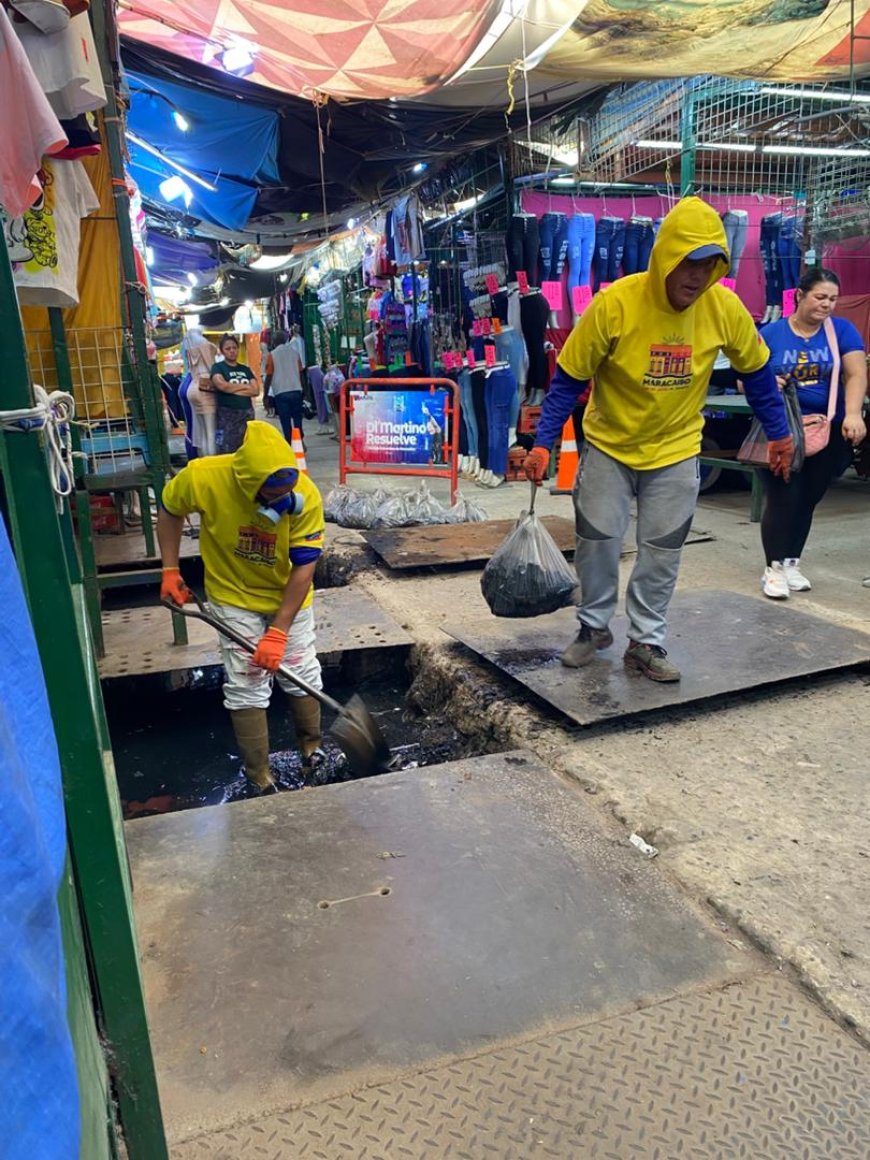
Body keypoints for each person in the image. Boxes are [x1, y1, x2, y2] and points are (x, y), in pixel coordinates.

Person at [524, 196, 792, 682]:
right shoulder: (615, 304)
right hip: (609, 444)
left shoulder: (724, 307)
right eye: (688, 263)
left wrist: (779, 433)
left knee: (662, 550)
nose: (697, 276)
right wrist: (543, 442)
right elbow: (567, 380)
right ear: (666, 256)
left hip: (676, 448)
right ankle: (593, 628)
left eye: (710, 264)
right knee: (598, 541)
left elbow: (756, 370)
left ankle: (646, 642)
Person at [157, 420, 326, 791]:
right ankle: (259, 776)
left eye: (289, 490)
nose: (285, 500)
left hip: (287, 593)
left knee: (301, 670)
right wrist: (170, 569)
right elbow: (169, 509)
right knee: (247, 681)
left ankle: (313, 751)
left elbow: (305, 567)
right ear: (249, 486)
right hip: (232, 593)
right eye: (274, 495)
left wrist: (279, 630)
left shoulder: (307, 496)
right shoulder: (203, 478)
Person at [755, 268, 867, 599]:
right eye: (820, 297)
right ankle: (772, 568)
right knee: (782, 497)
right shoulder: (771, 333)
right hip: (780, 428)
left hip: (826, 427)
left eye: (832, 299)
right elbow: (744, 377)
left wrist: (852, 413)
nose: (827, 305)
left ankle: (791, 561)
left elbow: (856, 373)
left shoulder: (841, 331)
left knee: (808, 498)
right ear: (799, 296)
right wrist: (766, 382)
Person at [211, 333, 260, 453]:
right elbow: (222, 386)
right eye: (228, 349)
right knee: (226, 447)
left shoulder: (245, 369)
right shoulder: (218, 367)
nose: (232, 351)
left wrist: (232, 389)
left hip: (246, 413)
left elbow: (255, 390)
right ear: (222, 351)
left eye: (234, 348)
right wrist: (244, 387)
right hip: (227, 415)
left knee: (247, 445)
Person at [181, 327, 219, 456]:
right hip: (205, 385)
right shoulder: (204, 343)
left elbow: (191, 369)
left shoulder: (189, 346)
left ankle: (203, 460)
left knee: (200, 430)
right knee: (210, 431)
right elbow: (211, 366)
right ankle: (212, 462)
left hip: (193, 385)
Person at [264, 330, 306, 442]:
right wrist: (304, 390)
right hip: (296, 389)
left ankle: (289, 441)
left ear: (273, 342)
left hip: (281, 392)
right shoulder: (294, 353)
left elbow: (268, 376)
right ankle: (299, 439)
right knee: (297, 418)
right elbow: (301, 373)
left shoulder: (272, 355)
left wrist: (265, 395)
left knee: (285, 419)